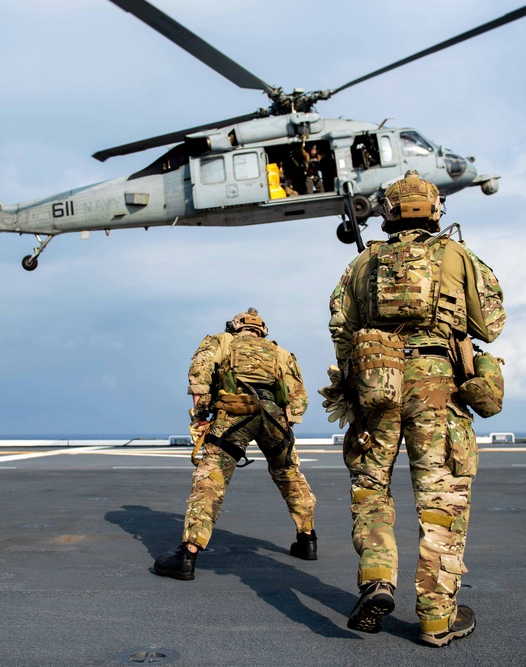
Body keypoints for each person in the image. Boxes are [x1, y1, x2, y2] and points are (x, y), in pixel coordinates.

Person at [324, 170, 506, 646]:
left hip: (376, 383)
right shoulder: (456, 255)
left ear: (388, 213)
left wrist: (362, 374)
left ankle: (378, 579)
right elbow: (492, 323)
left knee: (371, 491)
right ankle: (435, 617)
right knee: (440, 500)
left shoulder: (364, 263)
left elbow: (341, 326)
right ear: (435, 210)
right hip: (437, 388)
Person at [153, 308, 317, 581]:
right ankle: (307, 539)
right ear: (262, 331)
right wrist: (286, 425)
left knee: (211, 479)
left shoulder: (220, 341)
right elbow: (298, 396)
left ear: (235, 327)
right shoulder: (281, 353)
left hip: (234, 413)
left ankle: (187, 555)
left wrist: (200, 417)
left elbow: (199, 375)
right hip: (273, 417)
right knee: (289, 473)